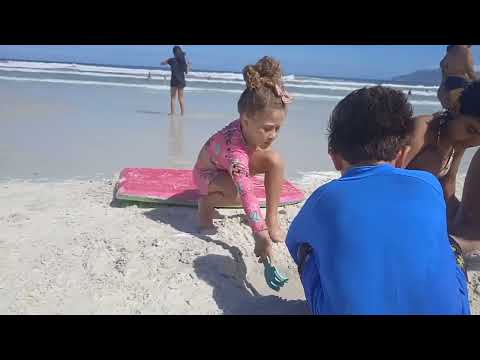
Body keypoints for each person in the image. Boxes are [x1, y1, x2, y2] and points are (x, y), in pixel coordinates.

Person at [286, 86, 470, 315]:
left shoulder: (325, 197)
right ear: (402, 154)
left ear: (334, 157)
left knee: (309, 249)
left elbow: (295, 244)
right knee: (449, 245)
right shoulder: (429, 184)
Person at [192, 56, 293, 261]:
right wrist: (259, 233)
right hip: (208, 174)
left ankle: (272, 218)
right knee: (238, 194)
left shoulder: (249, 124)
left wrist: (266, 223)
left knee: (275, 161)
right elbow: (246, 192)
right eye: (267, 129)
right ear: (245, 120)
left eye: (278, 128)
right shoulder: (235, 152)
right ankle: (206, 205)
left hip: (227, 166)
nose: (273, 135)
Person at [406, 80, 480, 255]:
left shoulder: (457, 143)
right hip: (401, 212)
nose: (473, 141)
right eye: (471, 129)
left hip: (424, 212)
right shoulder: (422, 132)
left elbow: (447, 189)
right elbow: (386, 178)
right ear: (456, 109)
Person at [437, 45, 476, 112]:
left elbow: (443, 65)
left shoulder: (451, 51)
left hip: (446, 87)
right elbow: (470, 72)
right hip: (459, 86)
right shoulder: (465, 50)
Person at [161, 46, 189, 116]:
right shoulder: (183, 62)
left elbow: (162, 63)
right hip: (181, 81)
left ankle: (172, 113)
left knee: (173, 97)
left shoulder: (172, 60)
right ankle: (182, 113)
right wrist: (188, 65)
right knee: (181, 98)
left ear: (174, 53)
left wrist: (167, 61)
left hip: (174, 80)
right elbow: (186, 72)